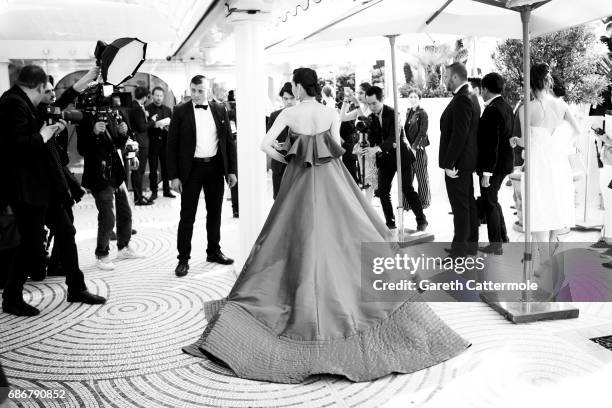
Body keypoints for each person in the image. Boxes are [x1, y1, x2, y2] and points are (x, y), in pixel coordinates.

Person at [183, 67, 469, 383]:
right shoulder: (330, 111)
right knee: (344, 236)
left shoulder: (290, 113)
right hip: (333, 182)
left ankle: (299, 298)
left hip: (298, 183)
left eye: (292, 84)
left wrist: (287, 157)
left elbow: (264, 145)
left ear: (299, 87)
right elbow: (335, 145)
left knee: (290, 239)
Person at [0, 65, 106, 316]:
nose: (48, 96)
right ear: (37, 87)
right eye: (46, 90)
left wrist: (88, 78)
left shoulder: (24, 100)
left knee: (67, 232)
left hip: (44, 186)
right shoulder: (11, 104)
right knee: (29, 245)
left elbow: (60, 101)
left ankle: (76, 288)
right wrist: (45, 134)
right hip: (26, 189)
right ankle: (12, 297)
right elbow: (14, 148)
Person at [167, 75, 237, 277]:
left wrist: (231, 170)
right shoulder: (180, 111)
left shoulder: (220, 108)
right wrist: (174, 176)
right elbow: (171, 146)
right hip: (191, 170)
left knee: (215, 213)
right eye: (193, 90)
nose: (196, 95)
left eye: (200, 91)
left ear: (208, 90)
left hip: (215, 167)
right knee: (187, 216)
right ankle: (183, 259)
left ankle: (213, 251)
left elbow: (227, 142)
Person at [510, 63, 580, 268]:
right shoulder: (562, 105)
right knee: (554, 205)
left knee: (539, 207)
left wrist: (515, 141)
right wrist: (560, 145)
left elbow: (525, 142)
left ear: (530, 84)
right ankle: (551, 262)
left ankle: (545, 264)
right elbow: (576, 131)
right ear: (548, 82)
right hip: (557, 165)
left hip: (538, 165)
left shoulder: (526, 108)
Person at [77, 94, 144, 271]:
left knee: (126, 211)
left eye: (110, 107)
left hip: (116, 172)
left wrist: (122, 134)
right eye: (105, 107)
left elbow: (116, 144)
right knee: (108, 216)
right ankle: (102, 254)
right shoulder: (85, 120)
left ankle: (123, 247)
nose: (108, 110)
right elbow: (82, 149)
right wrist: (94, 132)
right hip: (98, 175)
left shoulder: (113, 116)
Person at [362, 86, 428, 231]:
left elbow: (394, 136)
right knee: (383, 191)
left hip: (401, 156)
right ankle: (390, 223)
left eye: (374, 103)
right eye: (368, 104)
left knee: (407, 189)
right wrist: (366, 145)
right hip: (385, 159)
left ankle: (421, 219)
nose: (371, 107)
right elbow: (373, 139)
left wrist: (377, 148)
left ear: (381, 99)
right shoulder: (370, 118)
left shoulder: (393, 113)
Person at [439, 62, 481, 258]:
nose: (444, 80)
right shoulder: (471, 94)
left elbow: (460, 135)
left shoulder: (463, 98)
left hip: (458, 163)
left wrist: (450, 163)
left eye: (446, 77)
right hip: (466, 161)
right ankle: (470, 244)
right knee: (468, 203)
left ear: (455, 77)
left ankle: (459, 251)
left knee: (460, 207)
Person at [476, 72, 514, 255]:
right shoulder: (506, 106)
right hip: (504, 163)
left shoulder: (492, 109)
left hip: (494, 166)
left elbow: (491, 143)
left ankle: (496, 244)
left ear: (485, 89)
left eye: (481, 89)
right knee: (493, 200)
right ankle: (503, 237)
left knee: (489, 202)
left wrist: (487, 172)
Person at [267, 82, 296, 199]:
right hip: (279, 164)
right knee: (279, 199)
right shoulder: (274, 115)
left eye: (291, 98)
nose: (288, 101)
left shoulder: (304, 115)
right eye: (285, 98)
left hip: (298, 163)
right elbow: (268, 138)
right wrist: (274, 144)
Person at [403, 89, 431, 210]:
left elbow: (422, 132)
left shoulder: (423, 113)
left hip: (418, 150)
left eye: (415, 97)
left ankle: (424, 202)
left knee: (421, 177)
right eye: (411, 96)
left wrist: (414, 147)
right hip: (409, 150)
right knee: (407, 177)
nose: (413, 99)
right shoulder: (408, 112)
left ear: (419, 98)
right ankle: (406, 203)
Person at [146, 86, 174, 199]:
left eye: (160, 96)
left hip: (165, 142)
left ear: (163, 97)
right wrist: (155, 125)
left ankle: (167, 191)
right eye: (156, 95)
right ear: (152, 96)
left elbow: (172, 126)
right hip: (152, 142)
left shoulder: (168, 110)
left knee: (166, 168)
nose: (158, 98)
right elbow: (145, 127)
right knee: (153, 169)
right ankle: (154, 192)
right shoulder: (147, 109)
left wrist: (167, 126)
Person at [128, 86, 153, 205]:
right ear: (144, 97)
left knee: (136, 171)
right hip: (141, 143)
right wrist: (152, 122)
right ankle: (138, 197)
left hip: (136, 142)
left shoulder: (133, 106)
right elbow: (142, 127)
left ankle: (138, 196)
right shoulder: (137, 109)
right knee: (139, 171)